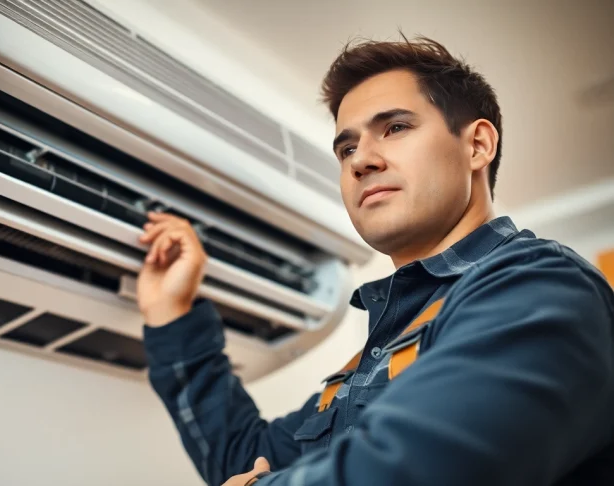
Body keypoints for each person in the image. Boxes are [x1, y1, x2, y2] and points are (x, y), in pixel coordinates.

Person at [136, 36, 614, 486]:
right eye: (346, 148)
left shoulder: (542, 287)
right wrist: (171, 317)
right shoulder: (379, 351)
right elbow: (245, 458)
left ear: (477, 145)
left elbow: (419, 469)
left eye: (396, 127)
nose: (361, 160)